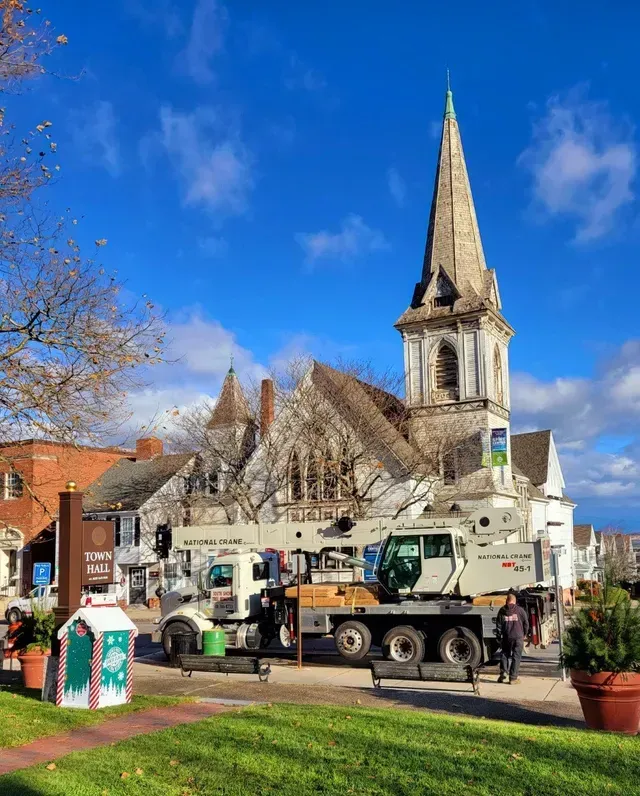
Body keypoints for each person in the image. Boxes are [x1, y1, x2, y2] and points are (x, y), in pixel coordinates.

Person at [496, 593, 529, 684]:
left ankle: (503, 674)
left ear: (507, 600)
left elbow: (498, 625)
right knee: (516, 657)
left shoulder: (502, 610)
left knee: (504, 654)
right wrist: (524, 634)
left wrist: (499, 637)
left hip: (506, 636)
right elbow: (526, 623)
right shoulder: (520, 610)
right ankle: (513, 678)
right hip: (518, 637)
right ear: (515, 601)